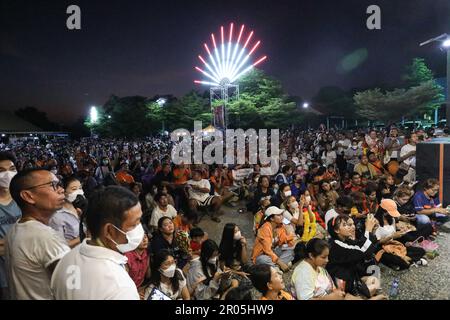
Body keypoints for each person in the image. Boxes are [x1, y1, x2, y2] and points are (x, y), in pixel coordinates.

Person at [51, 186, 142, 299]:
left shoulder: (68, 258)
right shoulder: (120, 288)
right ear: (109, 230)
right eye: (134, 224)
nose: (139, 229)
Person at [6, 169, 70, 299]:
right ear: (28, 196)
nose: (61, 189)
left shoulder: (16, 228)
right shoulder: (44, 236)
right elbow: (75, 285)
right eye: (53, 185)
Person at [327, 215, 385, 299]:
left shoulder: (345, 240)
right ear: (336, 230)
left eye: (351, 224)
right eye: (345, 225)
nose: (351, 227)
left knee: (374, 280)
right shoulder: (336, 244)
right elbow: (362, 250)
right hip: (342, 286)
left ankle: (364, 295)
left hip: (352, 279)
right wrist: (368, 229)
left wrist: (371, 230)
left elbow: (362, 247)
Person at [374, 199, 427, 270]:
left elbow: (394, 235)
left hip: (394, 244)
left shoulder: (391, 219)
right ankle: (410, 260)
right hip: (382, 247)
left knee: (421, 251)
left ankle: (407, 259)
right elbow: (376, 242)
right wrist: (391, 236)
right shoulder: (375, 222)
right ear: (384, 212)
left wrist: (402, 234)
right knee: (400, 262)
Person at [0, 152, 21, 299]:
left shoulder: (24, 199)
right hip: (3, 276)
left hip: (26, 271)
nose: (8, 174)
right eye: (1, 170)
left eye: (12, 169)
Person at [252, 206, 295, 272]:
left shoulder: (280, 226)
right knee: (262, 259)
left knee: (291, 249)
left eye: (281, 215)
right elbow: (267, 250)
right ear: (272, 218)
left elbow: (283, 241)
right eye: (278, 215)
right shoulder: (265, 228)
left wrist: (289, 233)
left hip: (273, 254)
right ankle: (278, 267)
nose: (281, 217)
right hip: (262, 255)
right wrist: (280, 262)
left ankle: (275, 268)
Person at [49, 176, 84, 248]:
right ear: (64, 192)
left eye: (80, 188)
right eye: (74, 189)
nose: (79, 192)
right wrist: (83, 236)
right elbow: (60, 246)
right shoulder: (56, 216)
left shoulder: (82, 207)